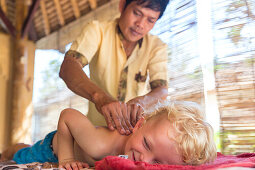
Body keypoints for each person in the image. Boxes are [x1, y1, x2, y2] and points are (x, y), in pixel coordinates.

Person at [59, 0, 170, 135]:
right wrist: (100, 98)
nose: (140, 24)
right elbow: (68, 67)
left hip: (132, 136)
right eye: (136, 13)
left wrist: (142, 102)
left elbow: (162, 90)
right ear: (122, 5)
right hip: (95, 133)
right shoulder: (97, 30)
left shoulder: (156, 46)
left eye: (151, 20)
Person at [1, 101, 217, 169]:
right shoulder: (99, 145)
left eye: (158, 162)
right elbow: (67, 116)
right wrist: (66, 159)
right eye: (146, 144)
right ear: (139, 124)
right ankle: (11, 148)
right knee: (21, 154)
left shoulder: (136, 156)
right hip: (53, 147)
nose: (144, 160)